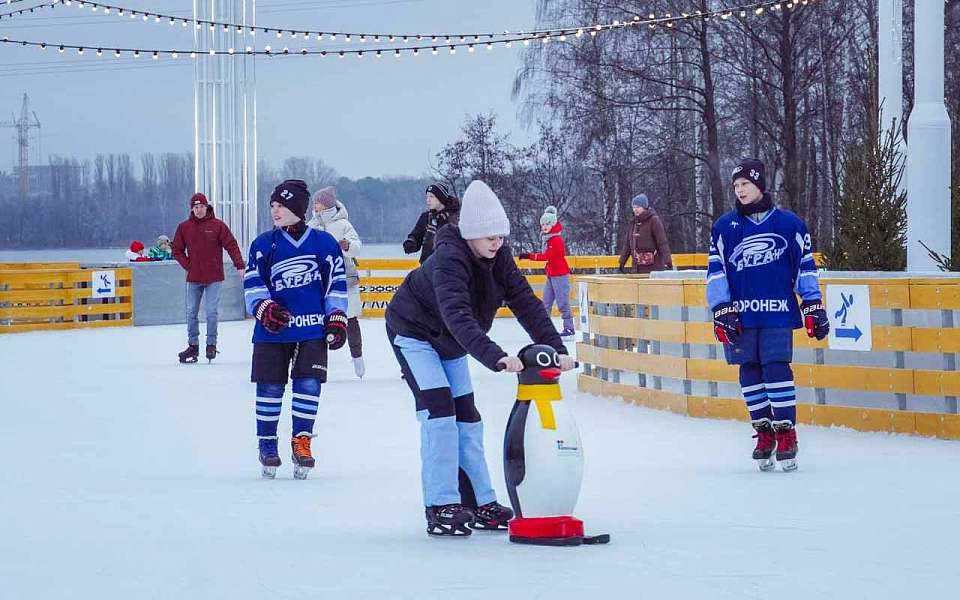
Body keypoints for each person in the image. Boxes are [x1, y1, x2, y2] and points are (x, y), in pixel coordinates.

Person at [385, 179, 576, 537]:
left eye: (500, 236)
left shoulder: (499, 257)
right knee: (439, 413)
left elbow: (526, 303)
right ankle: (440, 504)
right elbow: (458, 315)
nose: (496, 242)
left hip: (453, 343)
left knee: (468, 418)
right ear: (470, 232)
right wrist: (496, 356)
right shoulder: (449, 260)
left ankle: (479, 503)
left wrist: (556, 348)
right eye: (489, 236)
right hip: (413, 333)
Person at [706, 158, 828, 473]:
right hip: (741, 316)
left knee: (775, 369)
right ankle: (764, 432)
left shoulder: (790, 225)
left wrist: (812, 303)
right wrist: (720, 308)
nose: (740, 190)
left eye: (745, 183)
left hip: (777, 312)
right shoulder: (724, 228)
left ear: (759, 184)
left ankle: (786, 433)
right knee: (749, 371)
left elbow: (805, 267)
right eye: (736, 185)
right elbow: (716, 272)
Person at [243, 179, 349, 480]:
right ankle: (267, 444)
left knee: (309, 385)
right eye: (273, 206)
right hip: (273, 331)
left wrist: (337, 317)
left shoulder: (324, 244)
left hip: (312, 329)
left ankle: (301, 441)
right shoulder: (263, 244)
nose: (275, 211)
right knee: (270, 387)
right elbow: (252, 284)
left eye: (282, 205)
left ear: (298, 209)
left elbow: (335, 284)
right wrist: (263, 308)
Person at [172, 192, 245, 364]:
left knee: (211, 312)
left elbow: (231, 245)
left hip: (214, 277)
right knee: (191, 313)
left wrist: (240, 265)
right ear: (192, 209)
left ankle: (211, 344)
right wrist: (188, 265)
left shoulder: (217, 225)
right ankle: (193, 344)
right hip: (194, 277)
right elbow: (176, 249)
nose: (199, 210)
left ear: (207, 207)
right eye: (195, 207)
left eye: (201, 206)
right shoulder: (184, 227)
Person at [307, 187, 366, 378]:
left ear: (326, 204)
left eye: (317, 202)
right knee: (319, 322)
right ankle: (317, 362)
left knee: (350, 319)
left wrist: (347, 246)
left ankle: (357, 357)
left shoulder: (343, 224)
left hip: (344, 279)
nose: (314, 205)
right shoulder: (311, 226)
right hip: (319, 281)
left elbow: (357, 246)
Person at [518, 205, 575, 337]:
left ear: (553, 224)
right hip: (551, 274)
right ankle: (545, 329)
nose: (544, 227)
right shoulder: (548, 238)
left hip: (560, 275)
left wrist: (529, 256)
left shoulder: (555, 240)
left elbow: (547, 256)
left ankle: (569, 328)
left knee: (562, 303)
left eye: (547, 224)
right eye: (542, 224)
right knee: (546, 303)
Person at [403, 182, 461, 264]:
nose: (428, 200)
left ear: (441, 198)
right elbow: (417, 235)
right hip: (427, 264)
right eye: (427, 197)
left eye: (431, 197)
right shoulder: (426, 217)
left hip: (450, 264)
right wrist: (412, 242)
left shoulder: (455, 218)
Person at [617, 193, 673, 274]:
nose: (635, 209)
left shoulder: (654, 221)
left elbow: (662, 243)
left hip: (653, 269)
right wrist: (622, 262)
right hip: (636, 269)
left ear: (644, 207)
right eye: (633, 207)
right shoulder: (633, 223)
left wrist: (668, 262)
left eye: (638, 207)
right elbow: (627, 245)